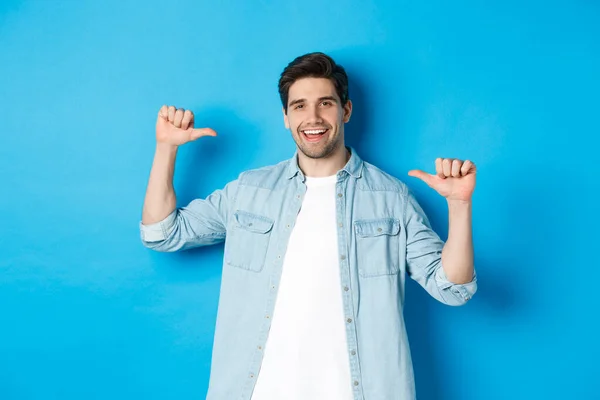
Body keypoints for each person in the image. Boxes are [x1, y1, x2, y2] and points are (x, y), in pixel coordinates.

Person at [139, 52, 477, 400]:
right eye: (299, 106)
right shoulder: (249, 191)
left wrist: (459, 205)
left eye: (325, 103)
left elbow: (453, 288)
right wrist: (166, 148)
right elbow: (161, 231)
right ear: (286, 117)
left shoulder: (391, 198)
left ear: (345, 110)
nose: (312, 117)